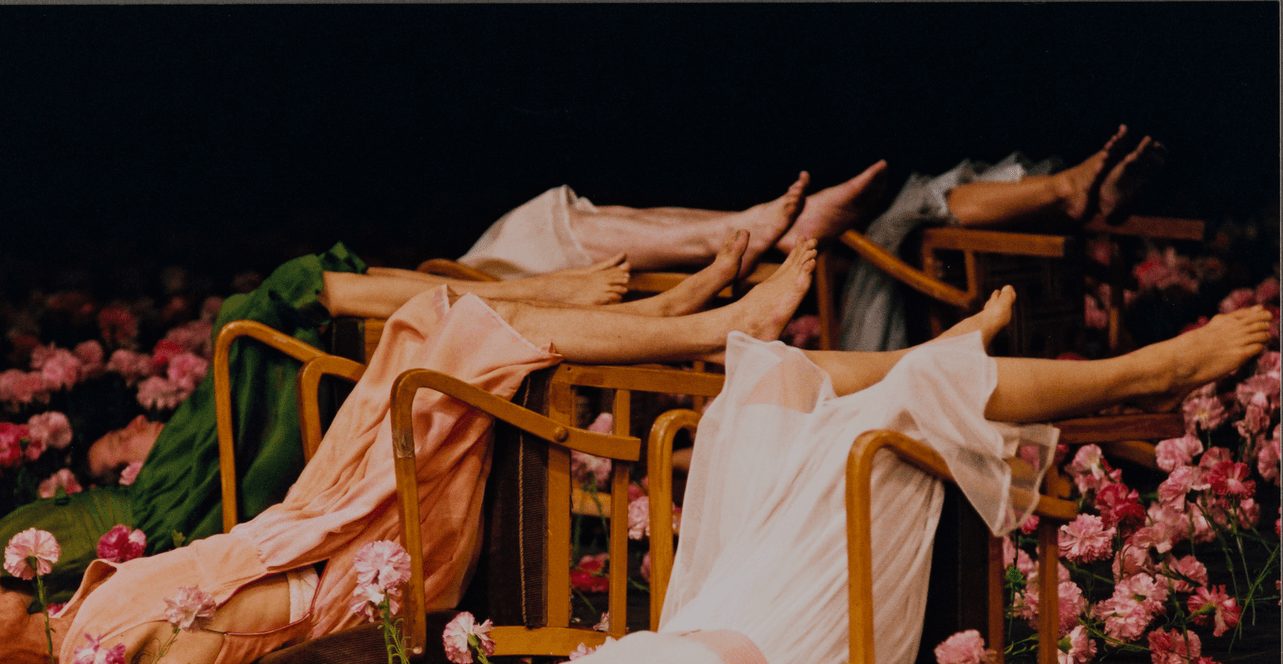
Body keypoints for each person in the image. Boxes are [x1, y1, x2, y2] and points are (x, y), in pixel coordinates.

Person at [229, 290, 1273, 664]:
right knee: (893, 415)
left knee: (765, 379)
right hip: (803, 636)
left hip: (721, 593)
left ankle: (948, 362)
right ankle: (1143, 368)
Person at [0, 236, 827, 664]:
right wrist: (178, 642)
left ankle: (670, 316)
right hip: (357, 565)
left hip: (317, 522)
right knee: (448, 336)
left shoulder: (77, 617)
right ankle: (713, 327)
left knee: (431, 315)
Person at [0, 244, 641, 605]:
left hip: (165, 496)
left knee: (272, 308)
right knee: (263, 307)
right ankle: (546, 297)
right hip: (183, 518)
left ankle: (537, 298)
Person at [460, 127, 1164, 352]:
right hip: (476, 303)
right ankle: (1062, 191)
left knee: (903, 208)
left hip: (477, 295)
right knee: (906, 205)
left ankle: (1062, 190)